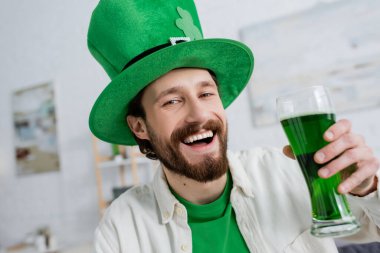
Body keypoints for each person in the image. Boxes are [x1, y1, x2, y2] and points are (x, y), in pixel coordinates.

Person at [87, 0, 380, 252]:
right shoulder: (122, 228)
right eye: (172, 101)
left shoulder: (290, 172)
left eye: (206, 93)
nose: (199, 114)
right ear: (139, 126)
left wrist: (366, 187)